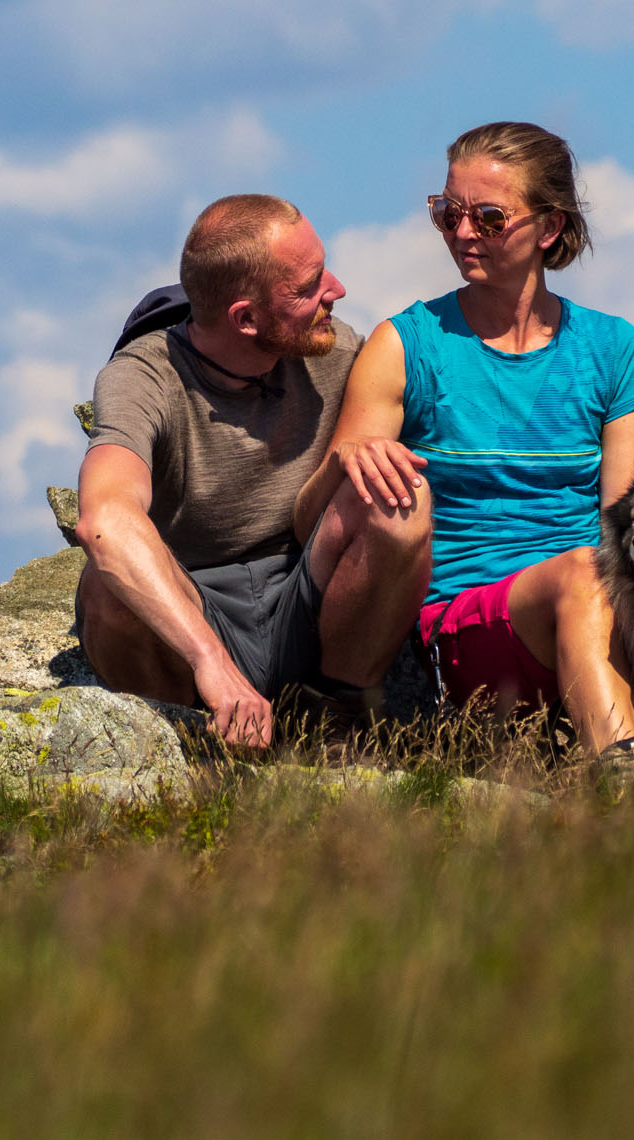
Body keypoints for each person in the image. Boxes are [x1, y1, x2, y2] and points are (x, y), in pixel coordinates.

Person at [305, 122, 634, 758]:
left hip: (604, 602)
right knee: (584, 573)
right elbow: (314, 524)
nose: (463, 233)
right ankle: (623, 779)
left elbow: (631, 518)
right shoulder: (405, 346)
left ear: (549, 228)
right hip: (467, 628)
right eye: (448, 213)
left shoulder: (612, 349)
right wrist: (345, 460)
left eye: (489, 217)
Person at [75, 194, 433, 749]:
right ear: (245, 318)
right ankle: (186, 747)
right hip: (193, 611)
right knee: (104, 585)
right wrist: (210, 663)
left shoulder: (336, 353)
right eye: (309, 286)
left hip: (304, 596)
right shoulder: (144, 377)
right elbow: (104, 518)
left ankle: (335, 727)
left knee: (399, 494)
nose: (336, 290)